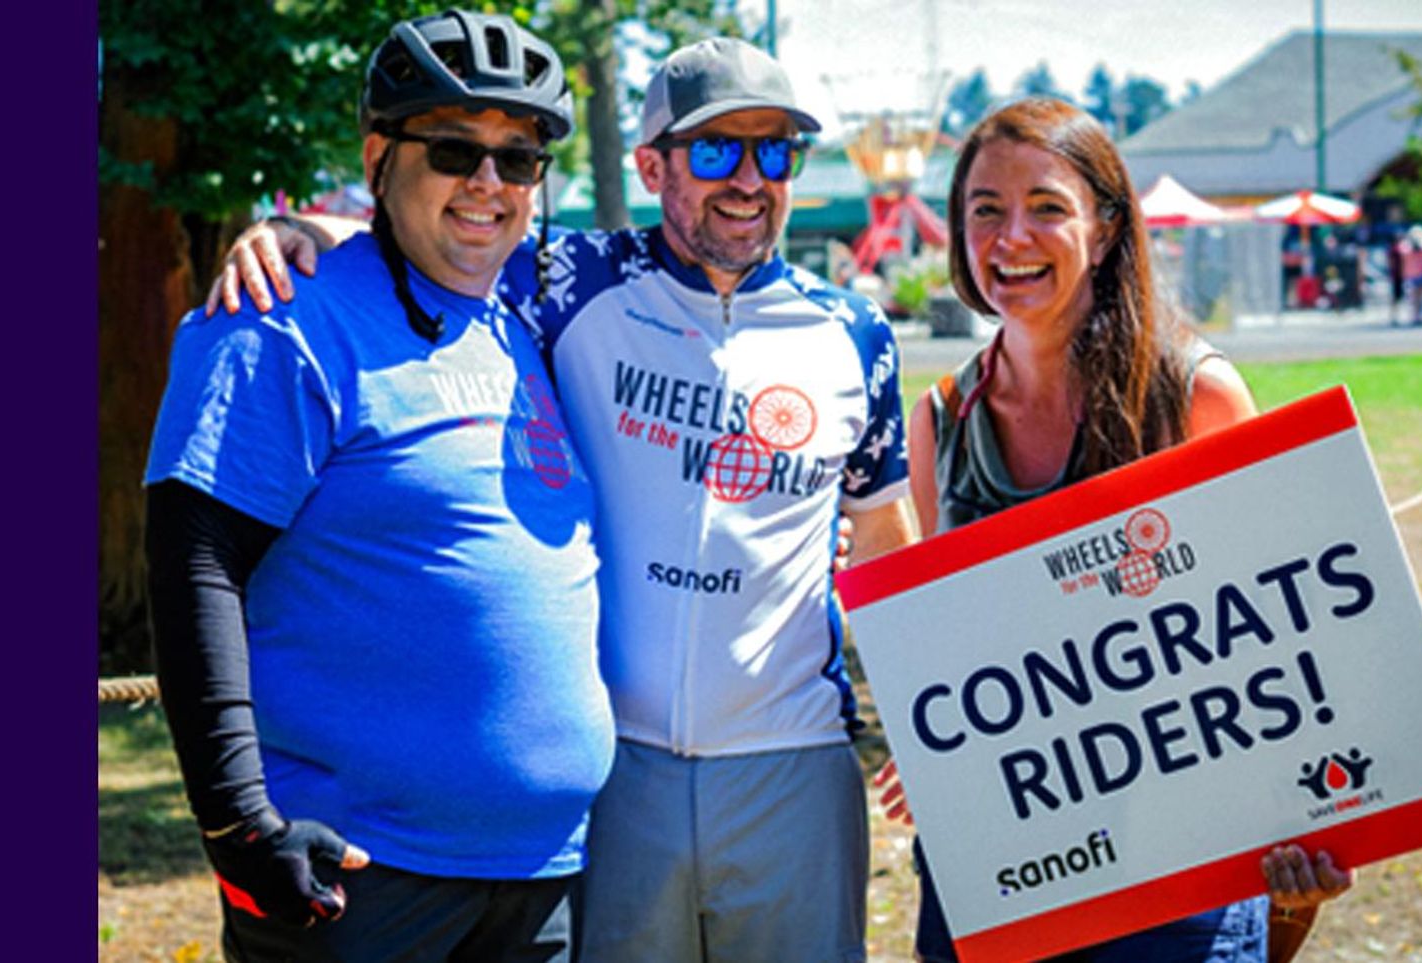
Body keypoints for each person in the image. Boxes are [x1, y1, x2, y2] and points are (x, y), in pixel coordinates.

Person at [210, 37, 920, 962]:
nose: (748, 179)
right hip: (617, 772)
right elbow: (443, 227)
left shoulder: (857, 330)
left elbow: (886, 533)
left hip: (792, 757)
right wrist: (299, 234)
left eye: (774, 151)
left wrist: (921, 715)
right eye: (714, 152)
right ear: (652, 166)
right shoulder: (568, 281)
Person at [143, 11, 614, 960]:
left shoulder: (525, 323)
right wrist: (241, 831)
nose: (488, 184)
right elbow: (193, 565)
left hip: (540, 878)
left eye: (517, 161)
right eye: (451, 150)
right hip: (359, 878)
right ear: (377, 157)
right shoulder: (281, 316)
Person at [885, 95, 1355, 963]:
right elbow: (944, 652)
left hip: (1174, 887)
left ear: (1104, 229)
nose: (1010, 238)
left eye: (1047, 208)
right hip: (999, 872)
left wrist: (1312, 826)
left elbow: (1284, 648)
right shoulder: (941, 417)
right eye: (984, 210)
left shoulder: (1195, 398)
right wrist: (935, 749)